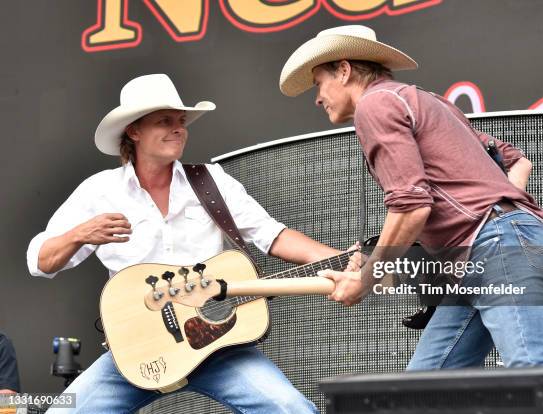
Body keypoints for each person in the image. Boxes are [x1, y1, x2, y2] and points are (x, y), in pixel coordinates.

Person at [280, 25, 543, 413]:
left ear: (344, 69)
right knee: (423, 392)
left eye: (319, 83)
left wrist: (366, 279)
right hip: (476, 255)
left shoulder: (375, 105)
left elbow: (410, 205)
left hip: (492, 249)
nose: (317, 98)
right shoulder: (427, 101)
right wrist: (507, 209)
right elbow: (517, 158)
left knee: (537, 378)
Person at [26, 74, 349, 413]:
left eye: (181, 121)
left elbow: (273, 235)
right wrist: (79, 233)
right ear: (134, 131)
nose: (178, 128)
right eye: (165, 121)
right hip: (137, 352)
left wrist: (342, 258)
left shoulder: (210, 181)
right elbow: (40, 262)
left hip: (219, 349)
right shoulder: (100, 191)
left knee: (292, 409)